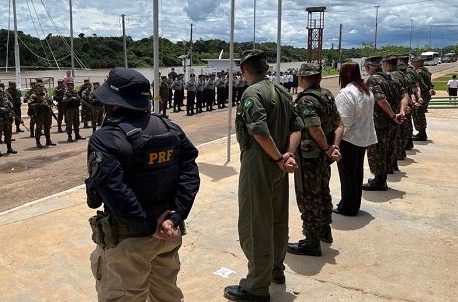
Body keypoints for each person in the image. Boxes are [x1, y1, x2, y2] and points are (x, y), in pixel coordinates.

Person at [85, 67, 200, 302]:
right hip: (169, 234)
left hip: (129, 241)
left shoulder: (106, 138)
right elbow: (190, 173)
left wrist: (149, 226)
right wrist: (173, 218)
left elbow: (115, 192)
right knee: (166, 295)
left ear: (114, 102)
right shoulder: (170, 128)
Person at [224, 50, 303, 302]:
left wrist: (279, 158)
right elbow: (296, 127)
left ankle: (257, 285)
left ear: (243, 71)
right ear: (267, 68)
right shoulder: (280, 91)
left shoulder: (252, 93)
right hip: (279, 163)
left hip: (260, 162)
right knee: (277, 219)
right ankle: (276, 271)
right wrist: (288, 155)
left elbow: (258, 131)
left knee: (255, 222)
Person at [288, 63, 343, 257]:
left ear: (302, 79)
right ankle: (324, 230)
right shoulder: (327, 95)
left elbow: (314, 129)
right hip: (323, 156)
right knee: (322, 191)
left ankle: (311, 241)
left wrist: (329, 148)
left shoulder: (306, 100)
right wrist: (333, 146)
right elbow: (338, 124)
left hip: (310, 157)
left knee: (308, 196)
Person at [334, 62, 377, 216]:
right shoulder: (365, 91)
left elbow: (343, 122)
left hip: (349, 139)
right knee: (356, 172)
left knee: (348, 174)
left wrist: (335, 144)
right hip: (362, 137)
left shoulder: (347, 93)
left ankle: (348, 206)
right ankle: (353, 204)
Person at [362, 56, 405, 191]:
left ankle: (379, 181)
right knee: (388, 150)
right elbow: (404, 95)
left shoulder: (373, 80)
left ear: (368, 67)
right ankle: (382, 178)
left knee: (378, 151)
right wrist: (401, 112)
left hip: (381, 123)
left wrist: (392, 115)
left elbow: (381, 100)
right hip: (393, 122)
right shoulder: (392, 77)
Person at [411, 56, 435, 141]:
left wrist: (426, 90)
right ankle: (422, 133)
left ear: (418, 62)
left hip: (420, 96)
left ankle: (421, 134)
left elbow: (420, 84)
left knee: (418, 115)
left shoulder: (418, 71)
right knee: (421, 114)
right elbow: (430, 83)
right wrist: (430, 89)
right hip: (426, 96)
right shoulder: (426, 70)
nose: (412, 63)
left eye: (413, 61)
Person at [27, 82, 57, 148]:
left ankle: (48, 140)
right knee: (39, 128)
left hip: (47, 113)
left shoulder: (47, 95)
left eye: (42, 86)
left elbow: (50, 102)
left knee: (47, 127)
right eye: (40, 86)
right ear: (36, 87)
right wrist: (39, 104)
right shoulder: (33, 96)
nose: (42, 88)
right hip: (39, 114)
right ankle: (38, 141)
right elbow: (30, 105)